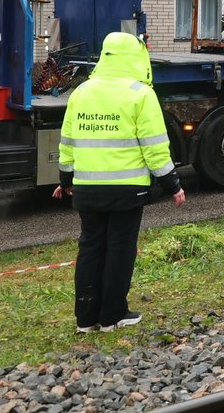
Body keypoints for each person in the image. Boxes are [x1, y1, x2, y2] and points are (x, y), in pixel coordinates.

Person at [53, 32, 185, 333]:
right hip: (127, 189)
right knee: (120, 250)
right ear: (136, 58)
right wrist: (173, 185)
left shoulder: (81, 92)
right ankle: (113, 315)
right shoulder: (141, 94)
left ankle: (86, 319)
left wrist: (65, 179)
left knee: (89, 248)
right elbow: (154, 147)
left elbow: (68, 143)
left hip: (86, 188)